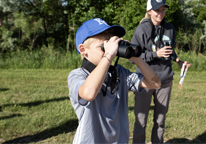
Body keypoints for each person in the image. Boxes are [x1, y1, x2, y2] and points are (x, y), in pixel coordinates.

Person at [68, 18, 161, 143]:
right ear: (83, 49)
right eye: (103, 47)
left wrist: (137, 59)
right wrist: (109, 55)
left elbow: (155, 83)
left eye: (110, 46)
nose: (110, 50)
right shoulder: (77, 75)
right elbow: (89, 93)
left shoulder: (119, 72)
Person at [131, 0, 189, 143]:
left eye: (163, 10)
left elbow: (171, 51)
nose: (160, 13)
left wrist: (179, 62)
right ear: (149, 11)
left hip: (165, 80)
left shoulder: (169, 28)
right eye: (157, 10)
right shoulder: (141, 30)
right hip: (144, 80)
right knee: (141, 120)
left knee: (160, 121)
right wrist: (155, 54)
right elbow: (133, 57)